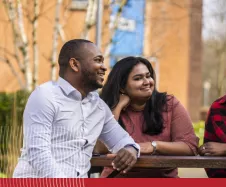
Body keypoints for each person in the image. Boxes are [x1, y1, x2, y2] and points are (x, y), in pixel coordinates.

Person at [12, 39, 140, 178]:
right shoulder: (45, 95)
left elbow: (122, 140)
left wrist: (131, 149)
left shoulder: (98, 107)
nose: (104, 67)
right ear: (74, 64)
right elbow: (37, 152)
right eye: (98, 60)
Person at [98, 56, 199, 178]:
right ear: (122, 87)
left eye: (148, 76)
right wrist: (118, 106)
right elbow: (100, 148)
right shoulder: (107, 108)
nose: (147, 82)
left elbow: (190, 146)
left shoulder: (169, 104)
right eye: (138, 78)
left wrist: (151, 146)